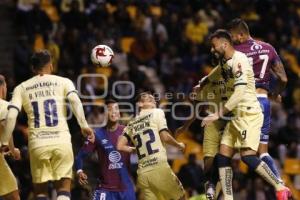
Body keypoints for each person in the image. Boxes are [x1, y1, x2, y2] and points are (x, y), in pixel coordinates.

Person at [201, 29, 291, 200]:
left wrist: (217, 114)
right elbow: (218, 71)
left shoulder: (239, 60)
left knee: (248, 157)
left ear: (224, 44)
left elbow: (240, 92)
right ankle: (228, 198)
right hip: (236, 116)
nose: (212, 50)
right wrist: (203, 82)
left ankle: (280, 186)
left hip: (248, 114)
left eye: (214, 46)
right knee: (222, 156)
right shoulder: (226, 61)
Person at [0, 50, 94, 200]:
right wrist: (83, 125)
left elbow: (11, 116)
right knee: (63, 188)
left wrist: (5, 141)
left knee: (41, 192)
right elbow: (75, 101)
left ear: (32, 68)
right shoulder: (64, 81)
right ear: (51, 65)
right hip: (61, 140)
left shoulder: (22, 87)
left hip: (38, 143)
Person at [227, 18, 288, 183]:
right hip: (263, 101)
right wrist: (275, 94)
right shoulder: (268, 48)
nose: (231, 40)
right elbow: (283, 78)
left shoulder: (235, 52)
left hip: (245, 104)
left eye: (232, 37)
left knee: (228, 152)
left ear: (240, 35)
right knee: (263, 152)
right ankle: (280, 185)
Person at [117, 92, 186, 200]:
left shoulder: (131, 123)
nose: (152, 99)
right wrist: (179, 145)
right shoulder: (157, 112)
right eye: (148, 98)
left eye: (153, 98)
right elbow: (165, 136)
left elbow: (119, 146)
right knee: (181, 197)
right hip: (159, 168)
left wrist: (137, 149)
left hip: (143, 174)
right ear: (140, 104)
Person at [75, 99, 136, 200]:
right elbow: (80, 156)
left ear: (120, 114)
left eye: (116, 109)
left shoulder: (128, 132)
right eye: (110, 109)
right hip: (105, 190)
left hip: (126, 190)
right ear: (104, 114)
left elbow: (143, 148)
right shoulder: (96, 134)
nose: (114, 112)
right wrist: (79, 171)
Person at [0, 75, 21, 200]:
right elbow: (6, 126)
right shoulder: (4, 105)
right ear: (2, 88)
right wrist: (13, 151)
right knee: (13, 196)